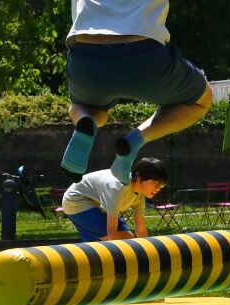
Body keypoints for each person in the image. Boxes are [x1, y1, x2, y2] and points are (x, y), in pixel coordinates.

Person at [59, 0, 213, 183]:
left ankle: (86, 122)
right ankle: (134, 142)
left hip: (85, 59)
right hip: (145, 57)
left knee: (83, 108)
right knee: (202, 100)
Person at [63, 157, 168, 242]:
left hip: (98, 203)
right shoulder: (118, 188)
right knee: (121, 240)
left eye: (162, 185)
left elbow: (141, 231)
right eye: (155, 183)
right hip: (77, 200)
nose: (158, 188)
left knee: (129, 239)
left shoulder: (139, 196)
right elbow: (112, 234)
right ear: (140, 178)